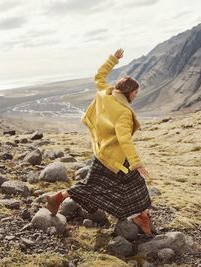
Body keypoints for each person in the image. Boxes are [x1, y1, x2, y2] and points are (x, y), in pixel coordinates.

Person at [46, 48, 153, 236]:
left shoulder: (106, 92)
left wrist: (113, 59)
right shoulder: (124, 112)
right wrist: (136, 162)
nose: (136, 96)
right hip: (116, 158)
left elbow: (99, 75)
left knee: (131, 186)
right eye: (135, 93)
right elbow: (124, 138)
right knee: (100, 187)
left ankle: (141, 218)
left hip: (102, 151)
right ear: (128, 92)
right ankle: (58, 198)